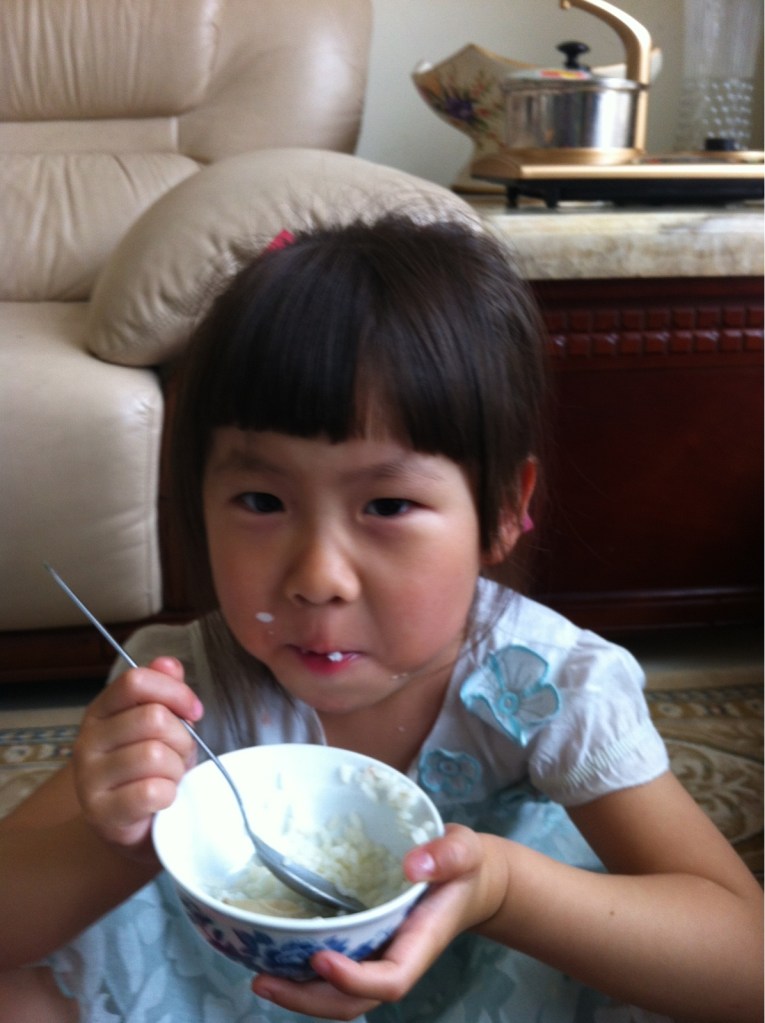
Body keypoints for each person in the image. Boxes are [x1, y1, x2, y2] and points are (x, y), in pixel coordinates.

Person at [0, 215, 761, 1023]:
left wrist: (503, 890)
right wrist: (112, 840)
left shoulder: (548, 686)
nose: (317, 578)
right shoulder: (184, 693)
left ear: (504, 509)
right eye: (260, 499)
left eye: (387, 504)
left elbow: (745, 962)